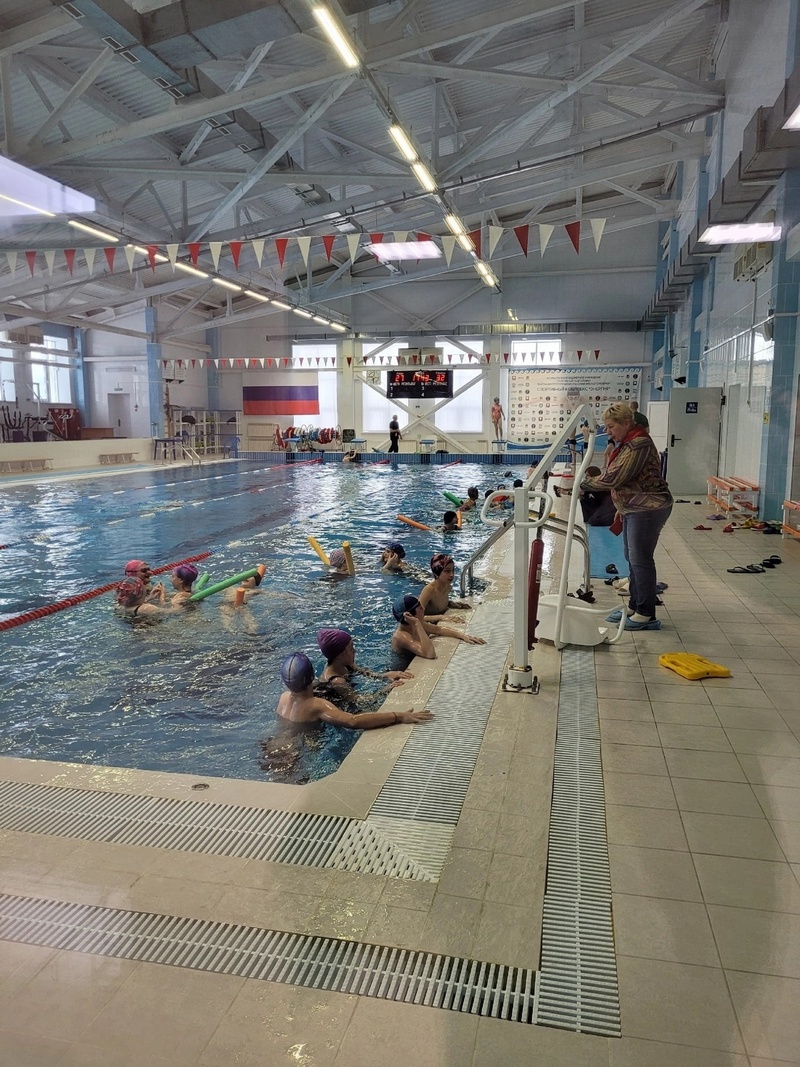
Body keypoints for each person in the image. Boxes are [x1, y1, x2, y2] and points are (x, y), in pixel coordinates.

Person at [581, 402, 672, 630]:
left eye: (611, 427)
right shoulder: (627, 443)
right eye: (606, 427)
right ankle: (635, 605)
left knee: (640, 559)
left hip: (648, 507)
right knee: (631, 558)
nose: (608, 432)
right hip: (633, 507)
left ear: (627, 423)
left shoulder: (639, 444)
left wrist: (583, 483)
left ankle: (646, 614)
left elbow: (615, 477)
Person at [276, 652, 433, 729]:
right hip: (296, 754)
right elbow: (353, 721)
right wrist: (399, 716)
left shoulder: (283, 698)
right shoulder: (316, 705)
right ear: (311, 676)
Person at [316, 628, 413, 706]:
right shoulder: (337, 681)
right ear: (339, 656)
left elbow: (365, 672)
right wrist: (384, 690)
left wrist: (384, 675)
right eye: (351, 648)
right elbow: (358, 700)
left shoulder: (345, 663)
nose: (355, 651)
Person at [390, 594, 486, 662]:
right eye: (419, 608)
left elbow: (439, 630)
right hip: (403, 667)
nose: (423, 608)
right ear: (410, 616)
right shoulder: (400, 637)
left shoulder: (415, 624)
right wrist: (417, 623)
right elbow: (430, 654)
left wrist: (463, 636)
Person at [418, 553, 471, 618]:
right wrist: (441, 617)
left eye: (452, 570)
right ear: (437, 572)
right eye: (447, 571)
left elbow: (438, 604)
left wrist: (451, 604)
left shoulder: (448, 587)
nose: (451, 574)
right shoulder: (429, 590)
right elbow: (415, 617)